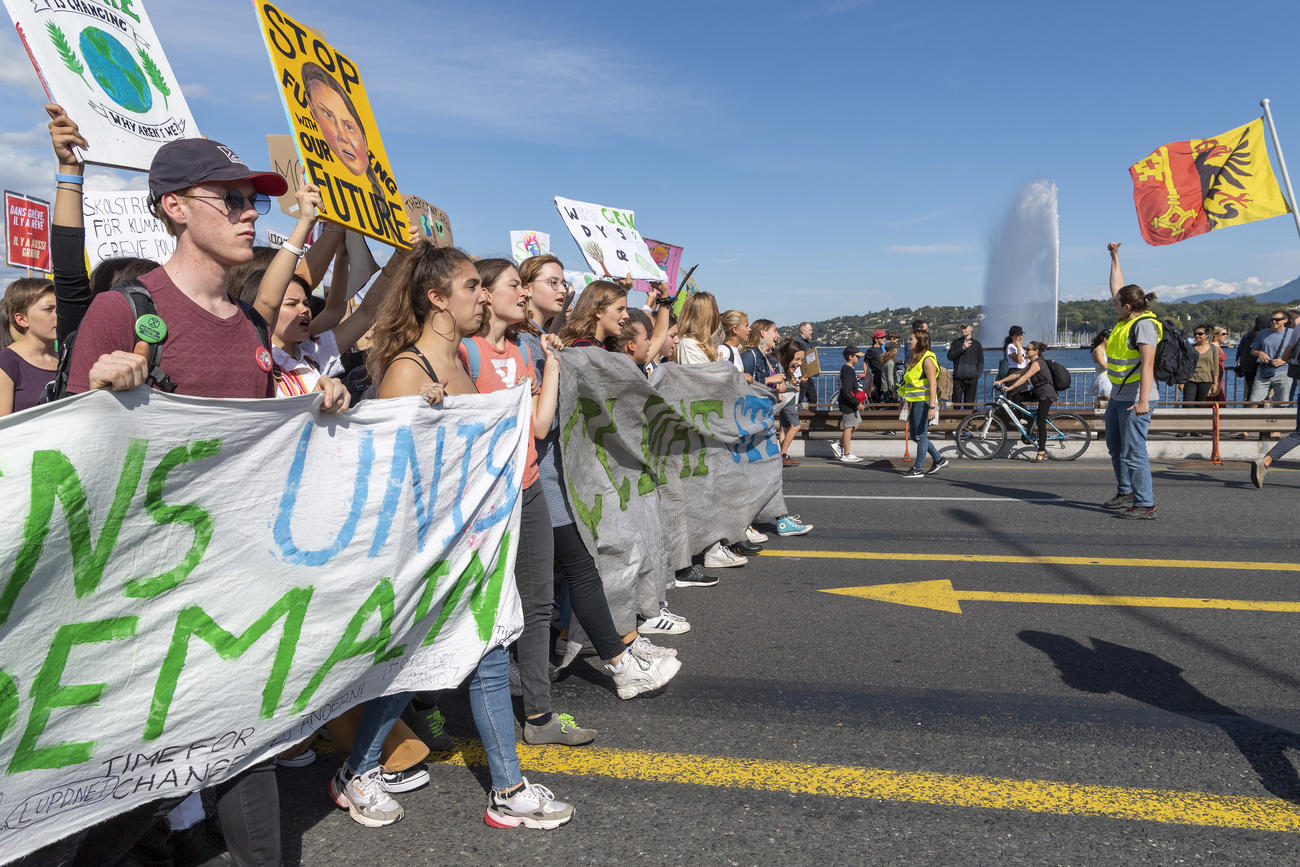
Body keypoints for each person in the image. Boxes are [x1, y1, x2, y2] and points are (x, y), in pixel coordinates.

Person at [63, 137, 348, 866]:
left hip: (234, 584)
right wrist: (103, 389)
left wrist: (319, 405)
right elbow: (65, 468)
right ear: (176, 207)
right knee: (152, 770)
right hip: (145, 593)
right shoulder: (122, 310)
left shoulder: (252, 328)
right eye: (232, 200)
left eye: (253, 200)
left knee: (239, 742)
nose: (251, 213)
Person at [363, 243, 574, 829]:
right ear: (436, 298)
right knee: (412, 666)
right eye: (472, 288)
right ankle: (356, 771)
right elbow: (388, 478)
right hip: (433, 548)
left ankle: (506, 788)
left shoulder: (460, 361)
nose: (485, 295)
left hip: (475, 542)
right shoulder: (410, 371)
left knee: (481, 657)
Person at [1103, 242, 1159, 520]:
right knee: (1116, 449)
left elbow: (1148, 365)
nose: (1113, 303)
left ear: (1127, 306)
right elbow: (1118, 286)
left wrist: (1143, 402)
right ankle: (1125, 492)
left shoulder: (1144, 325)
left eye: (1116, 303)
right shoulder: (1127, 318)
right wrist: (1115, 257)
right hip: (1118, 396)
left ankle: (1145, 503)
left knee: (1134, 452)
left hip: (1136, 398)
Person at [0, 279, 58, 415]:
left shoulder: (64, 359)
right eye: (48, 310)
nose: (58, 315)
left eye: (60, 308)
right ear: (22, 319)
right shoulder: (6, 363)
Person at [994, 341, 1057, 461]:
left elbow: (1025, 377)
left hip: (1046, 394)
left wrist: (1010, 387)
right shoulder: (1031, 363)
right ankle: (1024, 422)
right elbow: (1018, 374)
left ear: (1036, 352)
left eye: (1028, 349)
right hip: (1037, 392)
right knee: (1015, 397)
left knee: (1041, 421)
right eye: (1026, 349)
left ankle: (1042, 451)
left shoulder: (1038, 363)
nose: (1026, 351)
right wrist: (1002, 381)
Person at [901, 330, 946, 477]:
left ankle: (918, 468)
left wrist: (932, 407)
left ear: (920, 342)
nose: (909, 341)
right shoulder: (915, 359)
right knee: (915, 435)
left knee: (920, 435)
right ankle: (939, 459)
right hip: (915, 401)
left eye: (911, 339)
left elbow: (932, 384)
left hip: (924, 402)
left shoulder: (927, 359)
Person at [1249, 310, 1290, 404]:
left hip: (1284, 371)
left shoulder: (1292, 333)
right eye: (1272, 320)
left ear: (1285, 320)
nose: (1274, 322)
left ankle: (1280, 419)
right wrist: (1260, 353)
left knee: (1283, 403)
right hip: (1264, 370)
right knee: (1254, 402)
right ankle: (1252, 418)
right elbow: (1253, 351)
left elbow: (1296, 353)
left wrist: (1284, 360)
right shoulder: (1262, 333)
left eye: (1277, 319)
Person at [833, 345, 865, 462]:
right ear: (851, 357)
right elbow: (847, 391)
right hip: (848, 403)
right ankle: (846, 453)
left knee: (856, 423)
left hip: (850, 402)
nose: (859, 359)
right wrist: (857, 403)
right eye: (857, 356)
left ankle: (840, 444)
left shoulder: (849, 369)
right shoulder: (847, 370)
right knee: (849, 427)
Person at [1178, 324, 1219, 409]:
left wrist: (1215, 383)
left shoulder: (1213, 349)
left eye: (1200, 334)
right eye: (1195, 333)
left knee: (1201, 406)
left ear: (1206, 335)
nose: (1197, 336)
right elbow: (1184, 365)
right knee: (1188, 406)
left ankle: (1200, 422)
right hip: (1190, 380)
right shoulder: (1190, 348)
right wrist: (1181, 382)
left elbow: (1215, 368)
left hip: (1206, 381)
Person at [946, 323, 983, 409]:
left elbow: (981, 361)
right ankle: (956, 421)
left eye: (965, 328)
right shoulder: (956, 343)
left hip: (972, 379)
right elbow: (949, 357)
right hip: (958, 379)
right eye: (962, 328)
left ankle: (968, 422)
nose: (963, 330)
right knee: (956, 405)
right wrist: (962, 348)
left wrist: (977, 375)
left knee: (969, 406)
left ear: (971, 328)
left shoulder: (977, 344)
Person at [793, 321, 818, 408]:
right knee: (798, 398)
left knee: (813, 397)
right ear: (803, 330)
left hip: (807, 375)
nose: (812, 332)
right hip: (801, 375)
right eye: (810, 330)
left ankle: (811, 418)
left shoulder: (807, 343)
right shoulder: (798, 343)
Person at [718, 309, 749, 373]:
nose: (749, 329)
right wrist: (742, 376)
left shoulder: (734, 350)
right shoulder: (724, 350)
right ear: (735, 330)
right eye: (746, 326)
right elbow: (720, 375)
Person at [1090, 329, 1112, 406]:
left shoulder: (1107, 349)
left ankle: (1103, 416)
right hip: (1102, 377)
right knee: (1107, 398)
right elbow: (1104, 365)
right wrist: (1116, 364)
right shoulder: (1098, 350)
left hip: (1108, 377)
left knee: (1103, 400)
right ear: (1105, 339)